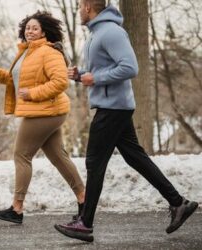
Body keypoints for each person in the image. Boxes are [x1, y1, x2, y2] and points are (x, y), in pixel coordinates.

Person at [54, 0, 199, 243]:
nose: (79, 9)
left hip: (113, 108)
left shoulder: (111, 31)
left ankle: (85, 223)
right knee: (135, 157)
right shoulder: (97, 32)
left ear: (88, 6)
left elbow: (130, 67)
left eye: (80, 5)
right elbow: (102, 70)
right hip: (113, 105)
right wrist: (82, 76)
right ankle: (178, 203)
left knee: (94, 162)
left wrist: (95, 78)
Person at [0, 11, 86, 224]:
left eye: (35, 28)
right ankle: (84, 200)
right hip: (47, 111)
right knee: (58, 157)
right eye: (27, 27)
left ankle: (17, 208)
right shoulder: (27, 52)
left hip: (44, 111)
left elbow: (60, 82)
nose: (29, 31)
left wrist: (32, 94)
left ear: (44, 32)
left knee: (21, 155)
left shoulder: (48, 52)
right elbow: (20, 80)